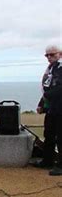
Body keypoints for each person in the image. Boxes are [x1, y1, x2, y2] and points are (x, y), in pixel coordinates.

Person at [35, 45, 62, 176]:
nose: (49, 57)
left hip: (60, 107)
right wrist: (42, 104)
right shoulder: (50, 69)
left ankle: (61, 165)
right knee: (49, 134)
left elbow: (58, 89)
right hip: (52, 107)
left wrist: (48, 96)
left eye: (53, 55)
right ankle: (47, 160)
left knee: (60, 136)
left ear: (60, 54)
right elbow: (46, 88)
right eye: (47, 55)